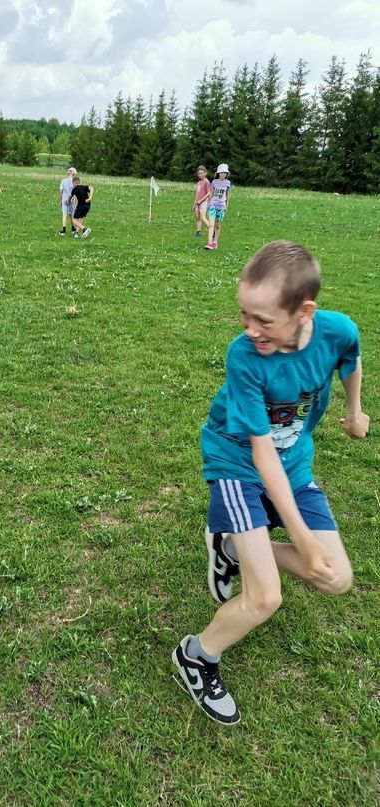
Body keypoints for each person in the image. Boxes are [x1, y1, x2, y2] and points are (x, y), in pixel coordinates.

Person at [172, 240, 370, 726]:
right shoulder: (244, 356)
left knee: (338, 578)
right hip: (237, 461)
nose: (250, 328)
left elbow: (351, 360)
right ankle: (196, 655)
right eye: (244, 314)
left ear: (304, 312)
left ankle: (234, 550)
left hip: (295, 464)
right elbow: (261, 452)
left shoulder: (337, 331)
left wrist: (353, 410)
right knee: (265, 597)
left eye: (263, 320)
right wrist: (299, 536)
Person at [205, 163, 231, 250]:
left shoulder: (228, 183)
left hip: (221, 206)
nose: (223, 174)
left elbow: (227, 195)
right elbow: (211, 193)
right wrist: (208, 204)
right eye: (221, 173)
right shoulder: (214, 182)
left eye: (224, 173)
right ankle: (209, 242)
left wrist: (226, 206)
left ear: (226, 174)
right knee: (211, 224)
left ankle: (215, 242)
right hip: (213, 204)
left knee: (218, 225)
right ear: (218, 174)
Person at [193, 165, 212, 237]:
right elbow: (196, 194)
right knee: (197, 217)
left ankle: (211, 229)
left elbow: (209, 193)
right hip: (197, 203)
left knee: (202, 217)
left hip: (203, 202)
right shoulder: (199, 183)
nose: (200, 175)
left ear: (205, 173)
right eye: (199, 173)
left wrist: (201, 200)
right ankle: (198, 232)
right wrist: (194, 204)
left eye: (202, 173)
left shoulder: (206, 182)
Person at [59, 167, 77, 235]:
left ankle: (63, 230)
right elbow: (76, 192)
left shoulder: (63, 181)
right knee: (71, 214)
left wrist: (60, 200)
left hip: (64, 199)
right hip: (72, 200)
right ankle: (73, 228)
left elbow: (61, 191)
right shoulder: (74, 182)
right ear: (74, 174)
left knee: (64, 214)